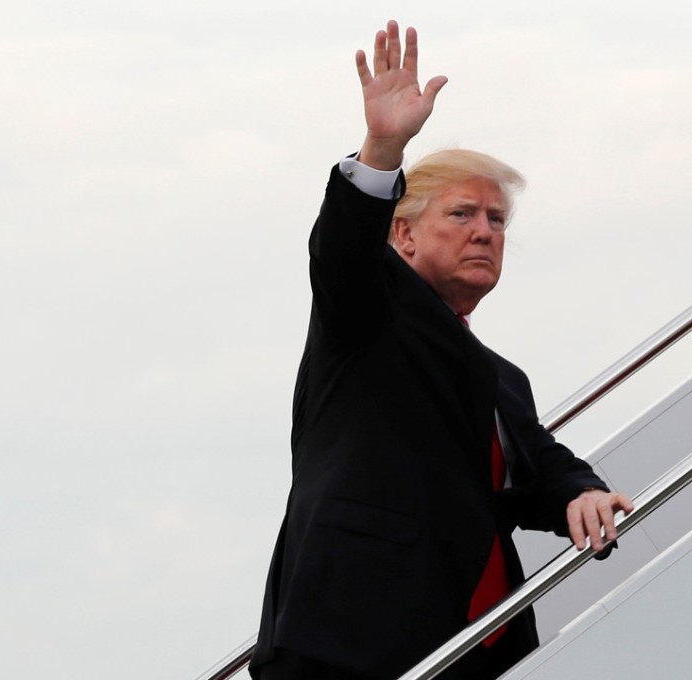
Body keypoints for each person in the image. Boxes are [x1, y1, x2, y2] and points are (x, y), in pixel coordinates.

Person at [249, 20, 634, 680]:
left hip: (471, 649)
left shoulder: (501, 379)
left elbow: (539, 464)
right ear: (402, 235)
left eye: (497, 220)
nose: (484, 233)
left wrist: (582, 494)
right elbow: (342, 254)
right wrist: (381, 150)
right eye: (461, 215)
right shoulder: (368, 315)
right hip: (348, 641)